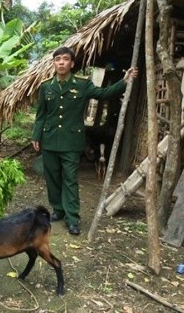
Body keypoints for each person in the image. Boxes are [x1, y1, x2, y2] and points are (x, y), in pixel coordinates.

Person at [31, 46, 138, 236]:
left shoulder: (82, 84)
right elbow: (41, 115)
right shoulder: (46, 86)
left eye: (65, 59)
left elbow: (104, 94)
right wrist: (36, 136)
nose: (61, 62)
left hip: (71, 141)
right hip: (49, 140)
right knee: (52, 177)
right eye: (57, 59)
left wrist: (124, 81)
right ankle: (58, 209)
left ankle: (72, 218)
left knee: (70, 179)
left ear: (72, 63)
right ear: (54, 63)